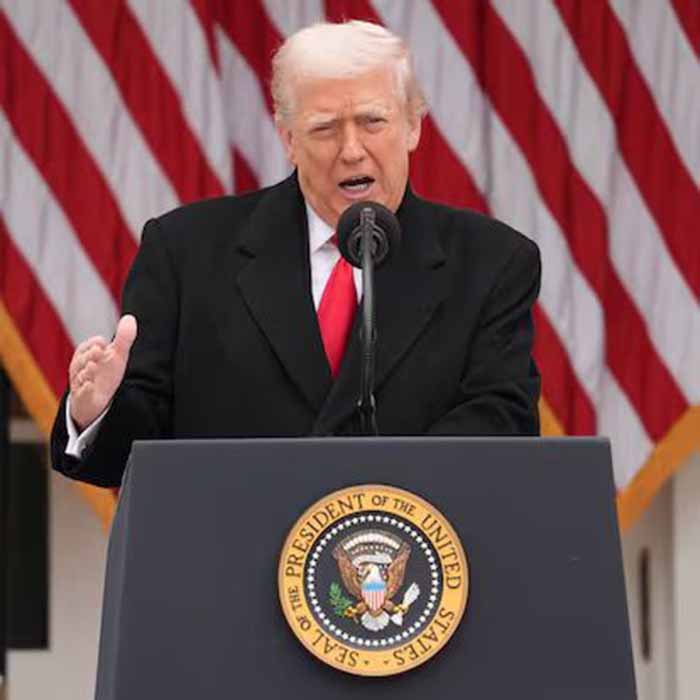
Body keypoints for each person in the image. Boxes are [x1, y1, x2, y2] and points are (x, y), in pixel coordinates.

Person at [50, 20, 541, 488]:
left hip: (404, 544)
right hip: (231, 543)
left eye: (372, 121)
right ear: (288, 139)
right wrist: (96, 410)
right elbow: (134, 450)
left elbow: (502, 423)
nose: (352, 150)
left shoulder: (492, 263)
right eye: (325, 128)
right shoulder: (186, 251)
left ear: (412, 126)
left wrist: (370, 492)